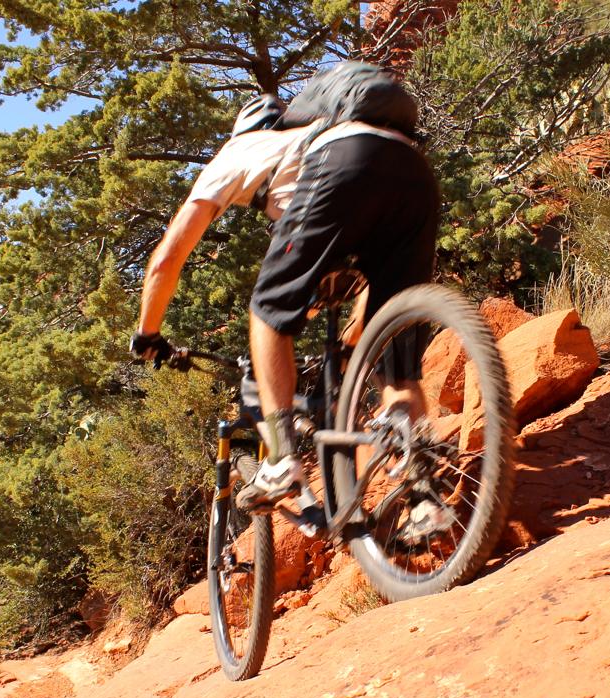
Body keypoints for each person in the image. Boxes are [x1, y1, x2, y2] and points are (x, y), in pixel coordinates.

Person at [130, 89, 441, 513]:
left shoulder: (238, 151)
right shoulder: (311, 132)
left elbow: (168, 258)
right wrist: (353, 338)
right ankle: (427, 499)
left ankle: (280, 462)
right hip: (414, 173)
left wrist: (148, 332)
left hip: (344, 166)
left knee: (265, 313)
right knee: (397, 369)